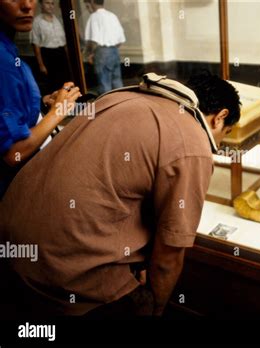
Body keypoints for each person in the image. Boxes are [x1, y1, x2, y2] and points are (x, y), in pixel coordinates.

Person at [0, 71, 241, 317]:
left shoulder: (117, 98)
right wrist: (156, 309)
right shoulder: (192, 142)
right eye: (226, 134)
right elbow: (169, 256)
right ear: (219, 117)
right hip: (62, 271)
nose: (219, 146)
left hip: (10, 244)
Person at [0, 0, 81, 199]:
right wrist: (58, 112)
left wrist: (42, 103)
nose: (27, 5)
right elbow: (12, 155)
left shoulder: (8, 47)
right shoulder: (3, 60)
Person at [83, 0, 125, 95]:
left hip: (102, 52)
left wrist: (89, 54)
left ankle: (109, 107)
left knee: (104, 84)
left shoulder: (94, 17)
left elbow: (93, 41)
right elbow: (121, 39)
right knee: (117, 82)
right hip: (114, 51)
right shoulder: (112, 16)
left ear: (92, 2)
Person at [31, 0, 72, 95]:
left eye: (52, 3)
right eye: (47, 3)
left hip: (61, 53)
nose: (50, 6)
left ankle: (69, 105)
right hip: (48, 55)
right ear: (41, 4)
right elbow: (36, 44)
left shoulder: (58, 20)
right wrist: (41, 65)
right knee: (54, 85)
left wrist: (68, 58)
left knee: (66, 82)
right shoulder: (37, 22)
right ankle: (57, 106)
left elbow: (64, 41)